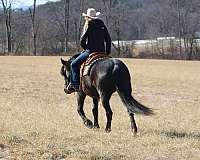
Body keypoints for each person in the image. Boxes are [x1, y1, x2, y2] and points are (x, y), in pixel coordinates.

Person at [66, 8, 111, 93]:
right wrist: (107, 53)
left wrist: (86, 48)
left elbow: (82, 40)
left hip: (90, 51)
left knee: (73, 64)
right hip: (102, 52)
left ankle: (74, 84)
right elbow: (108, 40)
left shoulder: (88, 25)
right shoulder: (102, 25)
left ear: (88, 17)